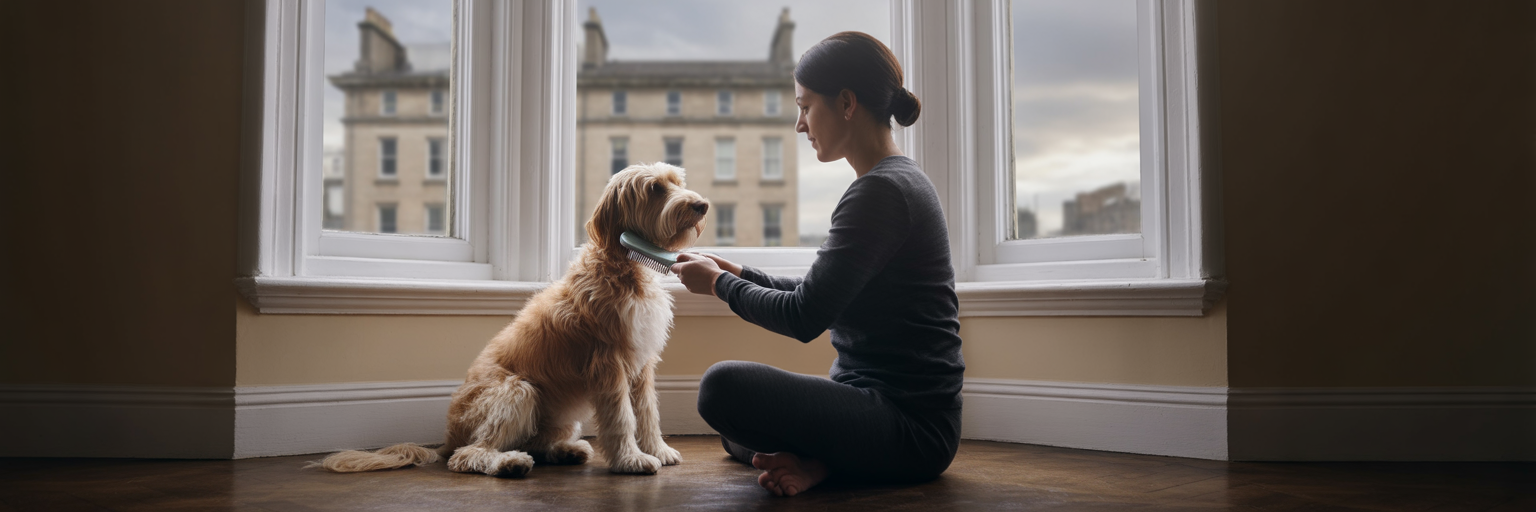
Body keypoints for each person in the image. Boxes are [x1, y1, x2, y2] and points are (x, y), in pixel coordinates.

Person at [670, 31, 964, 497]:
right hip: (873, 407)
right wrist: (739, 273)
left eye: (806, 107)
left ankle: (823, 460)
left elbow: (804, 316)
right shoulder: (896, 180)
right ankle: (821, 462)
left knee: (721, 387)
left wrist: (720, 286)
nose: (799, 124)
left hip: (913, 429)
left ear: (847, 103)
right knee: (734, 434)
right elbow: (822, 294)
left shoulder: (881, 192)